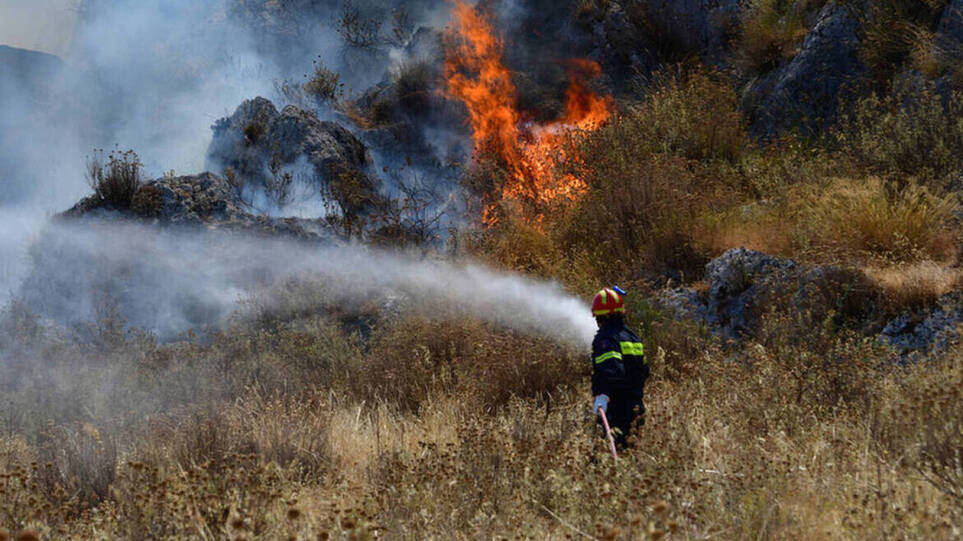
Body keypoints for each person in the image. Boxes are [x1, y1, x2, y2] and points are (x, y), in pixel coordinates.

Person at [590, 286, 648, 448]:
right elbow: (644, 371)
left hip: (616, 412)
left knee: (602, 462)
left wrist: (603, 396)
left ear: (603, 316)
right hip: (636, 410)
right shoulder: (632, 337)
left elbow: (612, 371)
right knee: (629, 461)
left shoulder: (605, 339)